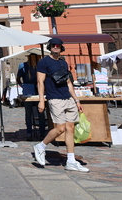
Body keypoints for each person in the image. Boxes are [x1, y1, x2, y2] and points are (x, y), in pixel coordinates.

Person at [33, 37, 89, 172]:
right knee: (60, 129)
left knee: (70, 128)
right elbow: (40, 82)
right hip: (55, 98)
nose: (55, 47)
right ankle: (40, 146)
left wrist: (76, 100)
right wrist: (42, 100)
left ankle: (71, 160)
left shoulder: (63, 63)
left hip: (68, 98)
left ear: (61, 47)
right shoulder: (43, 62)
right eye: (53, 45)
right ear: (50, 47)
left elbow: (68, 83)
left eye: (58, 45)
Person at [17, 53, 46, 140]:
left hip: (38, 91)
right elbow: (18, 78)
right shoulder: (23, 66)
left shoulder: (40, 66)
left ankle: (42, 131)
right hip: (28, 90)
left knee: (41, 112)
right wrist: (23, 86)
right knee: (28, 112)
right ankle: (29, 131)